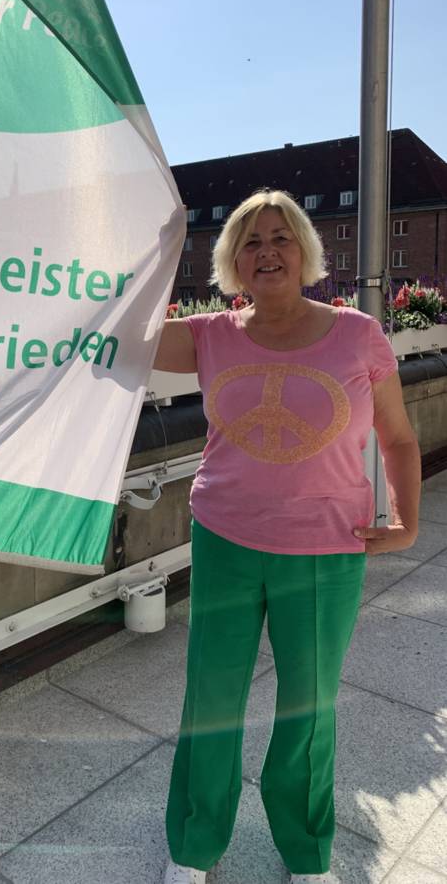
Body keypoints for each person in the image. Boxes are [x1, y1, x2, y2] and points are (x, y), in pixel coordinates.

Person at [153, 189, 421, 884]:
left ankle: (305, 851)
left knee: (309, 706)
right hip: (225, 539)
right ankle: (193, 844)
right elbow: (116, 331)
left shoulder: (357, 334)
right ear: (231, 261)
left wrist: (406, 523)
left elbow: (396, 437)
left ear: (304, 250)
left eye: (280, 237)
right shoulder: (208, 335)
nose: (266, 251)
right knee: (211, 698)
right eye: (249, 241)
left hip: (326, 548)